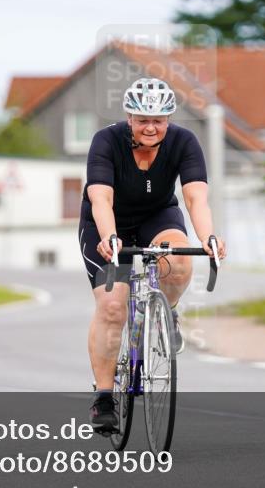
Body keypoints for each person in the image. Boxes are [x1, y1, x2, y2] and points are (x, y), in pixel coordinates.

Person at [79, 77, 227, 434]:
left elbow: (195, 198)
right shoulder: (106, 141)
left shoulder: (183, 142)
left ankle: (167, 313)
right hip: (107, 222)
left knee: (178, 262)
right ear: (129, 117)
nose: (150, 127)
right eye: (142, 119)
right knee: (113, 306)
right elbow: (101, 199)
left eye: (158, 120)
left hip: (157, 217)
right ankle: (103, 398)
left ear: (169, 119)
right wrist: (110, 237)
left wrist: (208, 236)